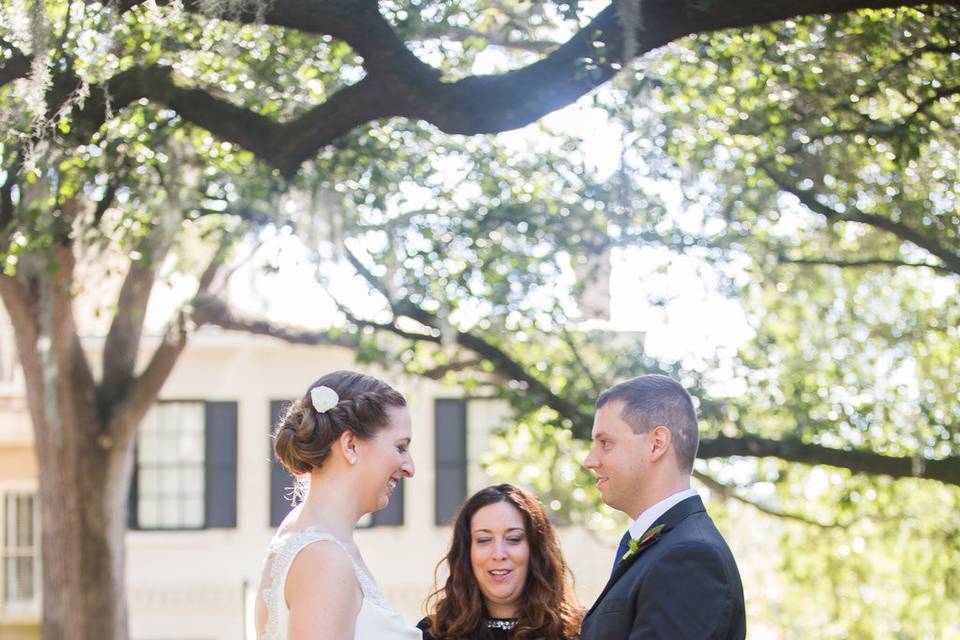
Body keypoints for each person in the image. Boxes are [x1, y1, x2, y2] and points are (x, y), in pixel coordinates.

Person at [255, 370, 422, 640]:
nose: (409, 468)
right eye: (400, 447)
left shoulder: (303, 536)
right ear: (351, 446)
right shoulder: (324, 560)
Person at [579, 374, 746, 639]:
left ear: (656, 444)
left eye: (605, 443)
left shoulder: (689, 558)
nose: (590, 460)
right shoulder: (663, 546)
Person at [418, 484, 582, 640]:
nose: (498, 554)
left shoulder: (580, 631)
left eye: (513, 539)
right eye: (484, 539)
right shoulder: (432, 633)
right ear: (467, 552)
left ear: (536, 550)